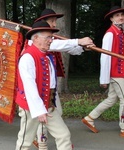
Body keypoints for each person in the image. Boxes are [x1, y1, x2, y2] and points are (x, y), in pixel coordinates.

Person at [29, 8, 95, 149]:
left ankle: (58, 141)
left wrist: (83, 48)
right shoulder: (35, 42)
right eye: (51, 21)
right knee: (40, 117)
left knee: (56, 113)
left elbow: (69, 49)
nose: (54, 24)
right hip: (37, 89)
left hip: (50, 87)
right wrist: (79, 41)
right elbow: (58, 45)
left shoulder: (51, 40)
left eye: (54, 21)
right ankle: (42, 143)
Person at [15, 20, 74, 150]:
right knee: (25, 140)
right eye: (48, 37)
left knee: (64, 135)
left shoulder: (45, 56)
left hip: (48, 104)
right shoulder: (27, 57)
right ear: (35, 38)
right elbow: (29, 86)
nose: (51, 40)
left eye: (51, 37)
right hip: (30, 106)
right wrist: (39, 110)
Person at [81, 6, 124, 137]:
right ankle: (123, 128)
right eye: (117, 15)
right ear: (111, 18)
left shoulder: (120, 32)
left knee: (112, 99)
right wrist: (104, 79)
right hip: (116, 73)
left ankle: (89, 118)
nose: (121, 17)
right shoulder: (110, 33)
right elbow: (105, 57)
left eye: (122, 15)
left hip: (121, 72)